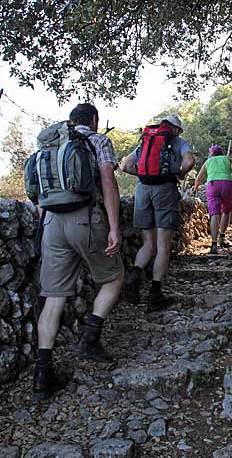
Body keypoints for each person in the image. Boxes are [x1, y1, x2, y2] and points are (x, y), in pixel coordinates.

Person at [34, 103, 124, 400]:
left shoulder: (50, 144)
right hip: (85, 217)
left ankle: (42, 375)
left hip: (51, 223)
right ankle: (90, 339)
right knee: (112, 279)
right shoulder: (98, 141)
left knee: (53, 298)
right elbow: (108, 182)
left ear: (71, 121)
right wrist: (114, 227)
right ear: (94, 120)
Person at [120, 115, 195, 311]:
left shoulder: (147, 141)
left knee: (148, 243)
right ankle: (155, 295)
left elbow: (125, 165)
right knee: (163, 246)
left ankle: (134, 276)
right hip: (165, 190)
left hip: (142, 190)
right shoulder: (179, 142)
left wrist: (144, 176)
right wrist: (177, 174)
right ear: (176, 129)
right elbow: (189, 162)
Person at [193, 145, 232, 255]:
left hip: (212, 186)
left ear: (211, 153)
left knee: (214, 214)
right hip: (227, 185)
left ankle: (213, 243)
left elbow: (198, 178)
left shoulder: (208, 162)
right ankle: (222, 237)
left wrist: (195, 188)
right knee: (226, 211)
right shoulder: (227, 159)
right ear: (221, 152)